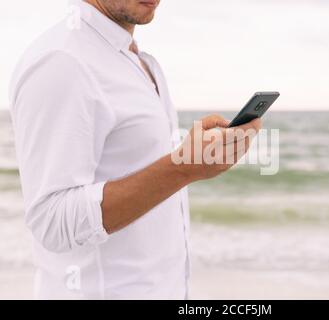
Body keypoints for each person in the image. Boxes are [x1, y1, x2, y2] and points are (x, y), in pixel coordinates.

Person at [8, 0, 261, 299]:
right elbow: (52, 221)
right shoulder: (62, 61)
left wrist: (193, 155)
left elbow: (142, 168)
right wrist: (184, 167)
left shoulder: (143, 63)